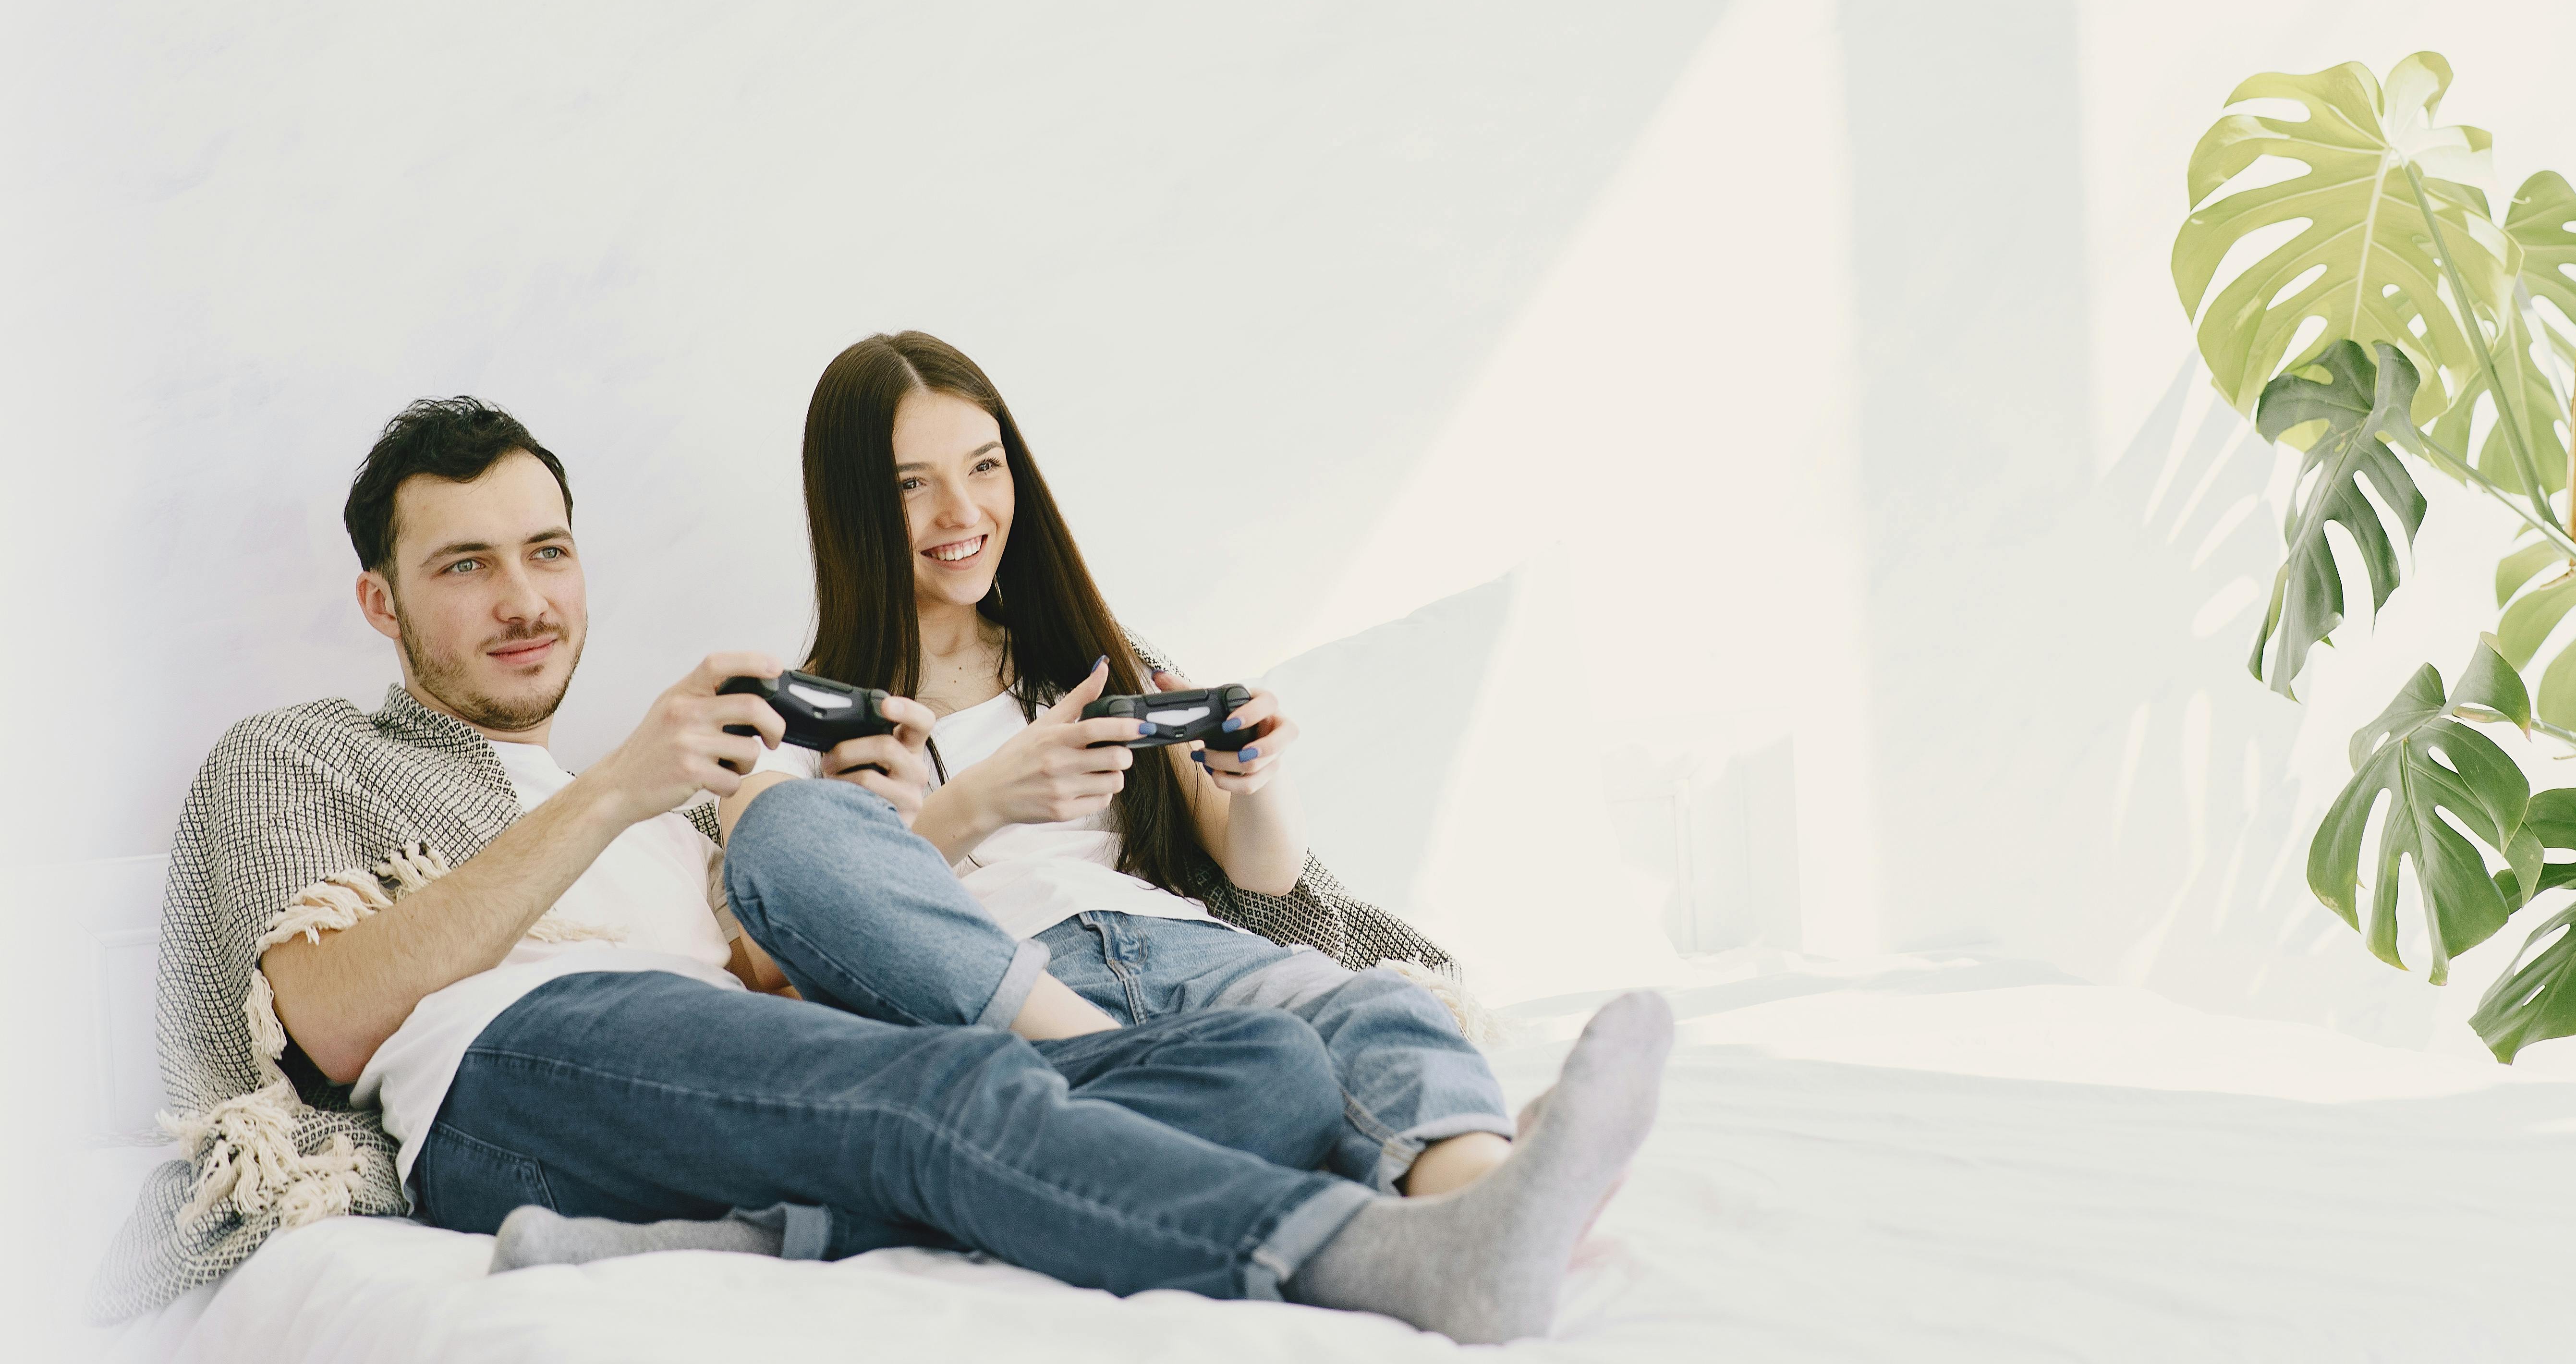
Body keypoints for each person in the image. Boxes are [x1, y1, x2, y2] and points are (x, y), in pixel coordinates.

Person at [97, 396, 1671, 1345]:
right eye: (466, 566)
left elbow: (770, 1006)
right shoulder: (293, 756)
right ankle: (1398, 1257)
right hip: (511, 1073)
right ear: (381, 604)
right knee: (940, 1102)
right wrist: (627, 791)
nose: (525, 601)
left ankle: (720, 1228)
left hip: (702, 1080)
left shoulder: (652, 791)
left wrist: (866, 832)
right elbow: (324, 1028)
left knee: (1259, 1058)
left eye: (549, 551)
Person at [721, 330, 1519, 1202]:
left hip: (1193, 953)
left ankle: (1484, 1207)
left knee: (1376, 1014)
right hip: (1019, 993)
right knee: (1220, 1102)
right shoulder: (792, 724)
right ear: (850, 508)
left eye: (985, 466)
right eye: (912, 485)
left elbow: (1261, 871)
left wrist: (1255, 776)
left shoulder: (1092, 661)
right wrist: (979, 804)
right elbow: (768, 956)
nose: (963, 512)